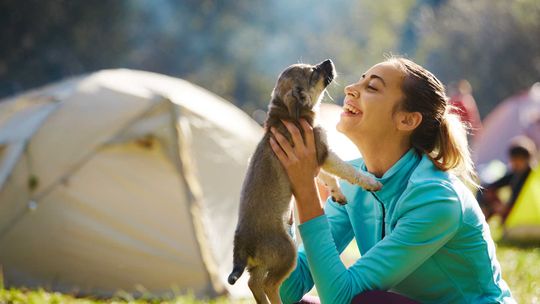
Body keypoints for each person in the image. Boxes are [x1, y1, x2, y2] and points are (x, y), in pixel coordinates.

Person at [269, 57, 515, 303]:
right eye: (359, 81)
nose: (350, 89)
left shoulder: (437, 197)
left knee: (366, 301)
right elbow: (288, 290)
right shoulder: (353, 185)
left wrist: (305, 190)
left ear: (407, 120)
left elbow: (342, 297)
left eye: (372, 87)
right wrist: (283, 197)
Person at [478, 136, 536, 223]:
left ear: (527, 159)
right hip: (511, 208)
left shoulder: (532, 176)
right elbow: (494, 185)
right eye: (513, 160)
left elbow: (522, 198)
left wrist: (505, 207)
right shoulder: (515, 174)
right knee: (485, 190)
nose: (515, 163)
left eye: (519, 160)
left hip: (524, 210)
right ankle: (481, 221)